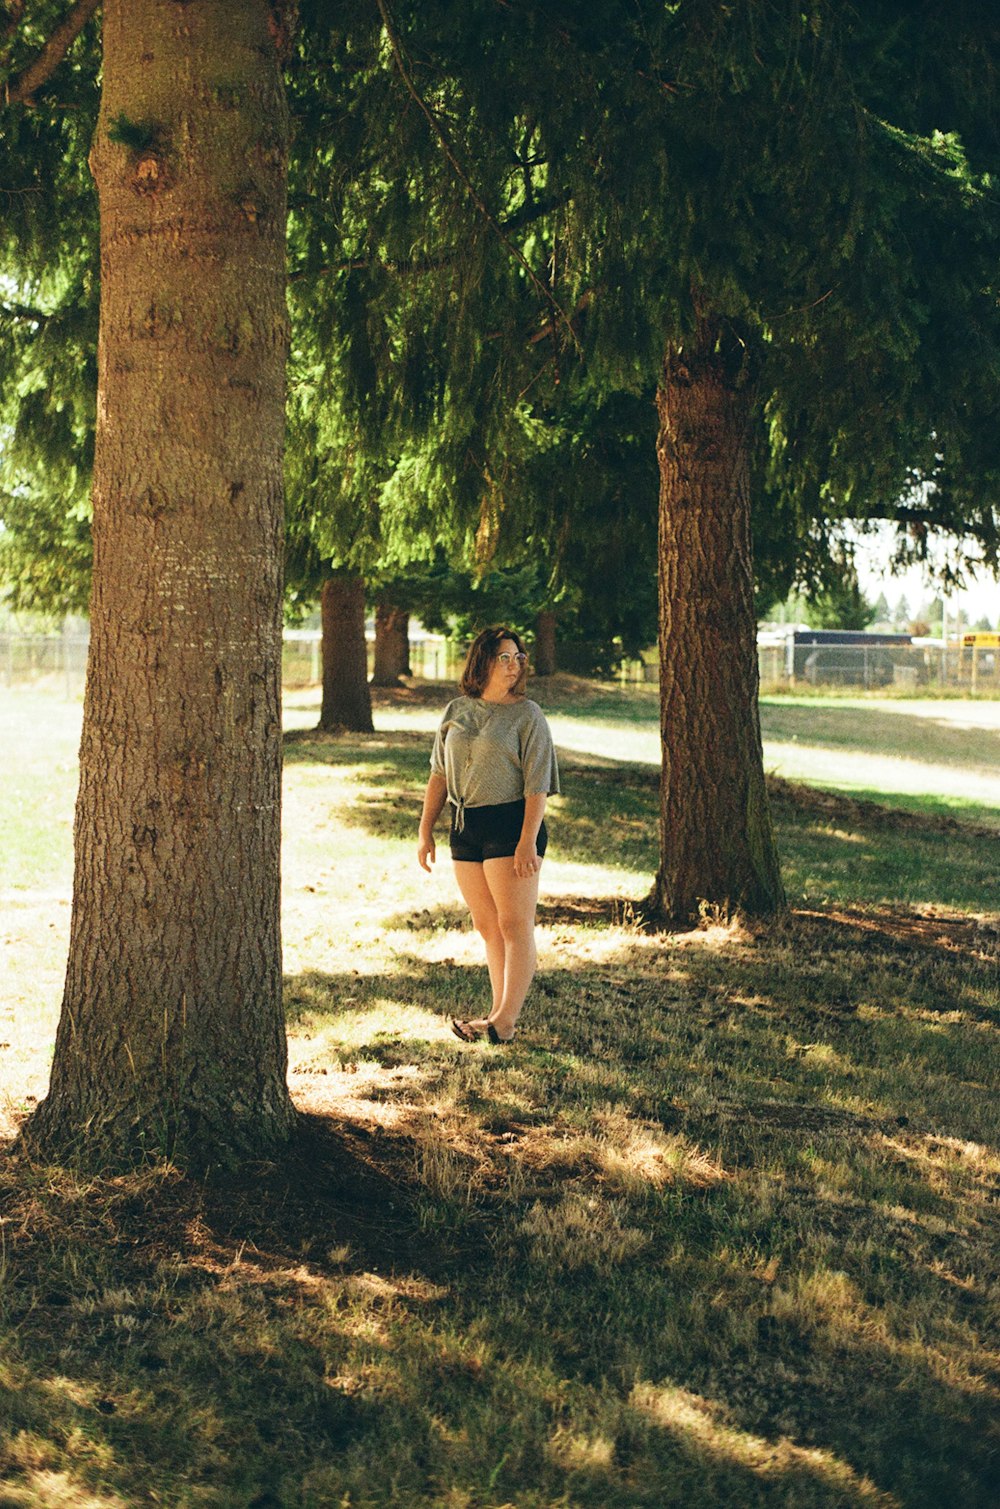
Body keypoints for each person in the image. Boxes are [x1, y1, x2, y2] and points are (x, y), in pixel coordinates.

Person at [417, 625, 560, 1044]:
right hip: (465, 826)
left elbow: (538, 784)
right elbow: (438, 775)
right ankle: (496, 1015)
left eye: (519, 658)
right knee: (487, 925)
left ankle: (505, 1021)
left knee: (515, 923)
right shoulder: (456, 711)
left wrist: (526, 840)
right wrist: (425, 831)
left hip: (511, 822)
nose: (514, 665)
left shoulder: (527, 715)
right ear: (482, 660)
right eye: (505, 657)